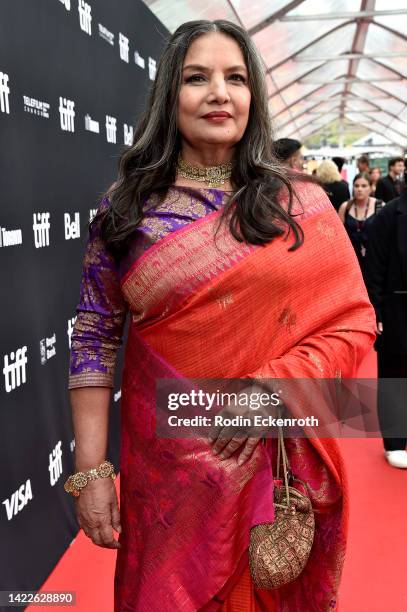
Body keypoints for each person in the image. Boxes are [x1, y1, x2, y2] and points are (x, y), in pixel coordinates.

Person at [67, 20, 376, 612]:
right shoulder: (128, 209)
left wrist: (275, 389)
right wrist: (90, 469)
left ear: (253, 96)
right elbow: (95, 332)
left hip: (270, 467)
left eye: (236, 77)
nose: (219, 93)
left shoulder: (296, 203)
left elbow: (354, 319)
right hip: (168, 484)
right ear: (168, 96)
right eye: (196, 78)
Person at [365, 189, 407, 468]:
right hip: (396, 309)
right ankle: (394, 442)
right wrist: (376, 310)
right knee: (394, 375)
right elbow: (373, 270)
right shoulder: (387, 216)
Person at [338, 172, 384, 281]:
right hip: (351, 261)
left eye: (364, 186)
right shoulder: (345, 207)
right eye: (356, 186)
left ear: (371, 187)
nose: (359, 189)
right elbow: (339, 236)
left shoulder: (380, 206)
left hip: (374, 261)